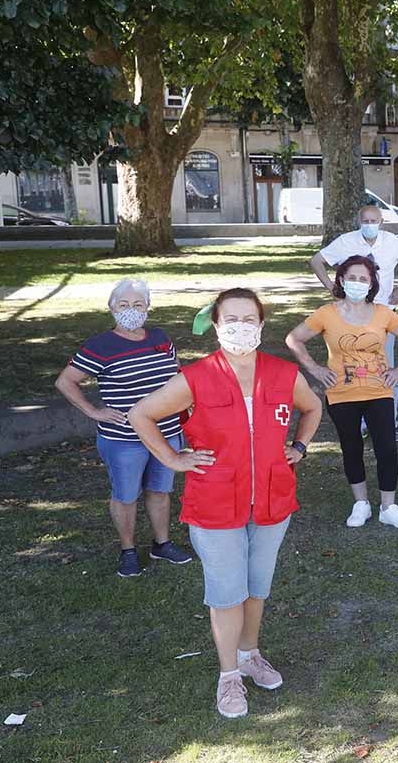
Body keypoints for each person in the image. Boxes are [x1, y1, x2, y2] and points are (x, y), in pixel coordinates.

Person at [128, 288, 322, 719]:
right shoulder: (196, 377)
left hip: (272, 502)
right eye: (230, 319)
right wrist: (173, 459)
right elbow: (141, 414)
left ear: (261, 325)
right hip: (215, 504)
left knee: (256, 589)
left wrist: (301, 447)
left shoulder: (283, 374)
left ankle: (250, 654)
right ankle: (228, 676)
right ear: (216, 326)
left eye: (248, 319)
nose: (240, 327)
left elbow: (312, 409)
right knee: (226, 593)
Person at [54, 279, 193, 577]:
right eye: (124, 304)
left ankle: (162, 543)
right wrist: (93, 411)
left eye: (138, 304)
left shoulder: (160, 336)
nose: (131, 310)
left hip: (166, 432)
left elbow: (176, 373)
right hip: (124, 438)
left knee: (160, 490)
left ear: (147, 308)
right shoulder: (100, 346)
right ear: (111, 308)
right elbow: (66, 381)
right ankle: (128, 550)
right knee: (126, 495)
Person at [285, 255, 398, 529]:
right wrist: (314, 368)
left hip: (379, 392)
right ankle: (361, 504)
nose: (357, 283)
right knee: (351, 447)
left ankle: (388, 506)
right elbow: (293, 338)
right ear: (342, 280)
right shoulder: (326, 313)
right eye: (352, 278)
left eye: (363, 278)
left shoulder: (383, 312)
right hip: (341, 394)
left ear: (371, 283)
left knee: (386, 448)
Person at [308, 205, 398, 441]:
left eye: (374, 221)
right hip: (351, 314)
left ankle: (390, 423)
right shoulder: (345, 242)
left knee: (387, 369)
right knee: (353, 369)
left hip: (384, 314)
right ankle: (359, 423)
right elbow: (316, 261)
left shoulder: (390, 241)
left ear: (381, 222)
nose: (369, 225)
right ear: (358, 221)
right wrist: (333, 288)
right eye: (365, 220)